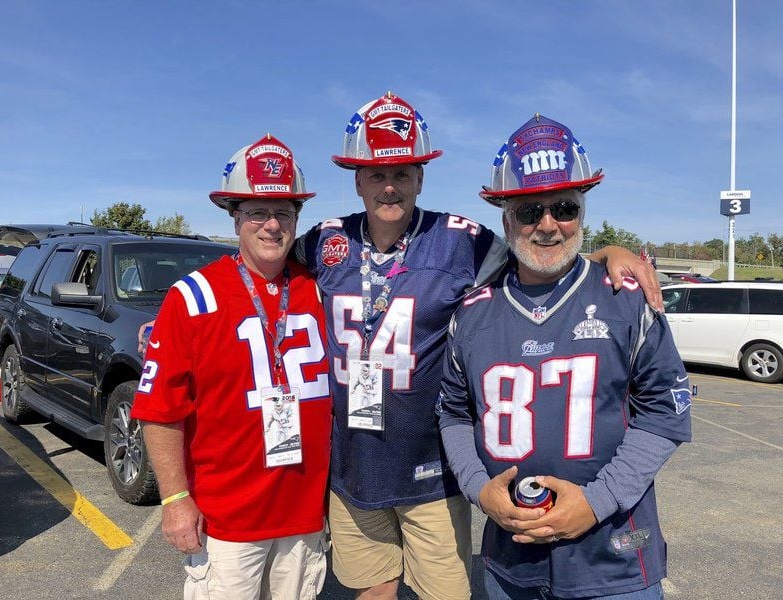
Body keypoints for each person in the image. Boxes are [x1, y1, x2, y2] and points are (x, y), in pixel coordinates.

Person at [294, 93, 663, 600]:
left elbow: (541, 255)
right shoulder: (323, 240)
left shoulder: (462, 239)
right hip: (355, 464)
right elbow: (263, 270)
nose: (388, 185)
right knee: (370, 591)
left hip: (430, 468)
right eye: (375, 173)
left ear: (421, 177)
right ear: (355, 178)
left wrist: (606, 254)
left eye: (403, 172)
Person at [438, 114, 692, 599]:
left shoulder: (626, 298)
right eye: (530, 211)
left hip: (612, 557)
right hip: (510, 559)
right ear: (505, 216)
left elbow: (666, 410)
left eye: (563, 207)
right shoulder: (472, 314)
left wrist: (597, 502)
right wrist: (478, 487)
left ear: (582, 211)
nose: (548, 225)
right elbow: (452, 410)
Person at [131, 135, 332, 600]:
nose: (272, 225)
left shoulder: (318, 289)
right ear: (234, 216)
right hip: (227, 519)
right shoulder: (193, 296)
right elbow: (160, 409)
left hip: (303, 514)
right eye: (257, 212)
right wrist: (176, 500)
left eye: (284, 212)